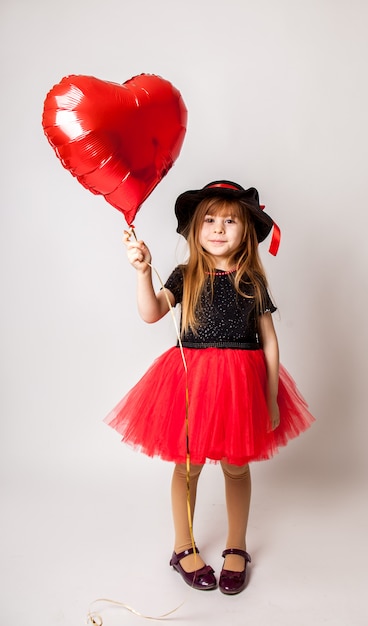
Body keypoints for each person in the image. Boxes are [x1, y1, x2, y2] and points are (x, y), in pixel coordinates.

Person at [105, 181, 315, 595]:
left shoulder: (250, 281)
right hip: (191, 381)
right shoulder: (186, 275)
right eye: (209, 221)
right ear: (195, 230)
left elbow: (269, 341)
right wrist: (143, 272)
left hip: (241, 384)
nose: (218, 229)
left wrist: (272, 395)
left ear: (247, 231)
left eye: (230, 221)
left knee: (237, 464)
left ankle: (236, 545)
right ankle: (182, 547)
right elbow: (151, 313)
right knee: (188, 464)